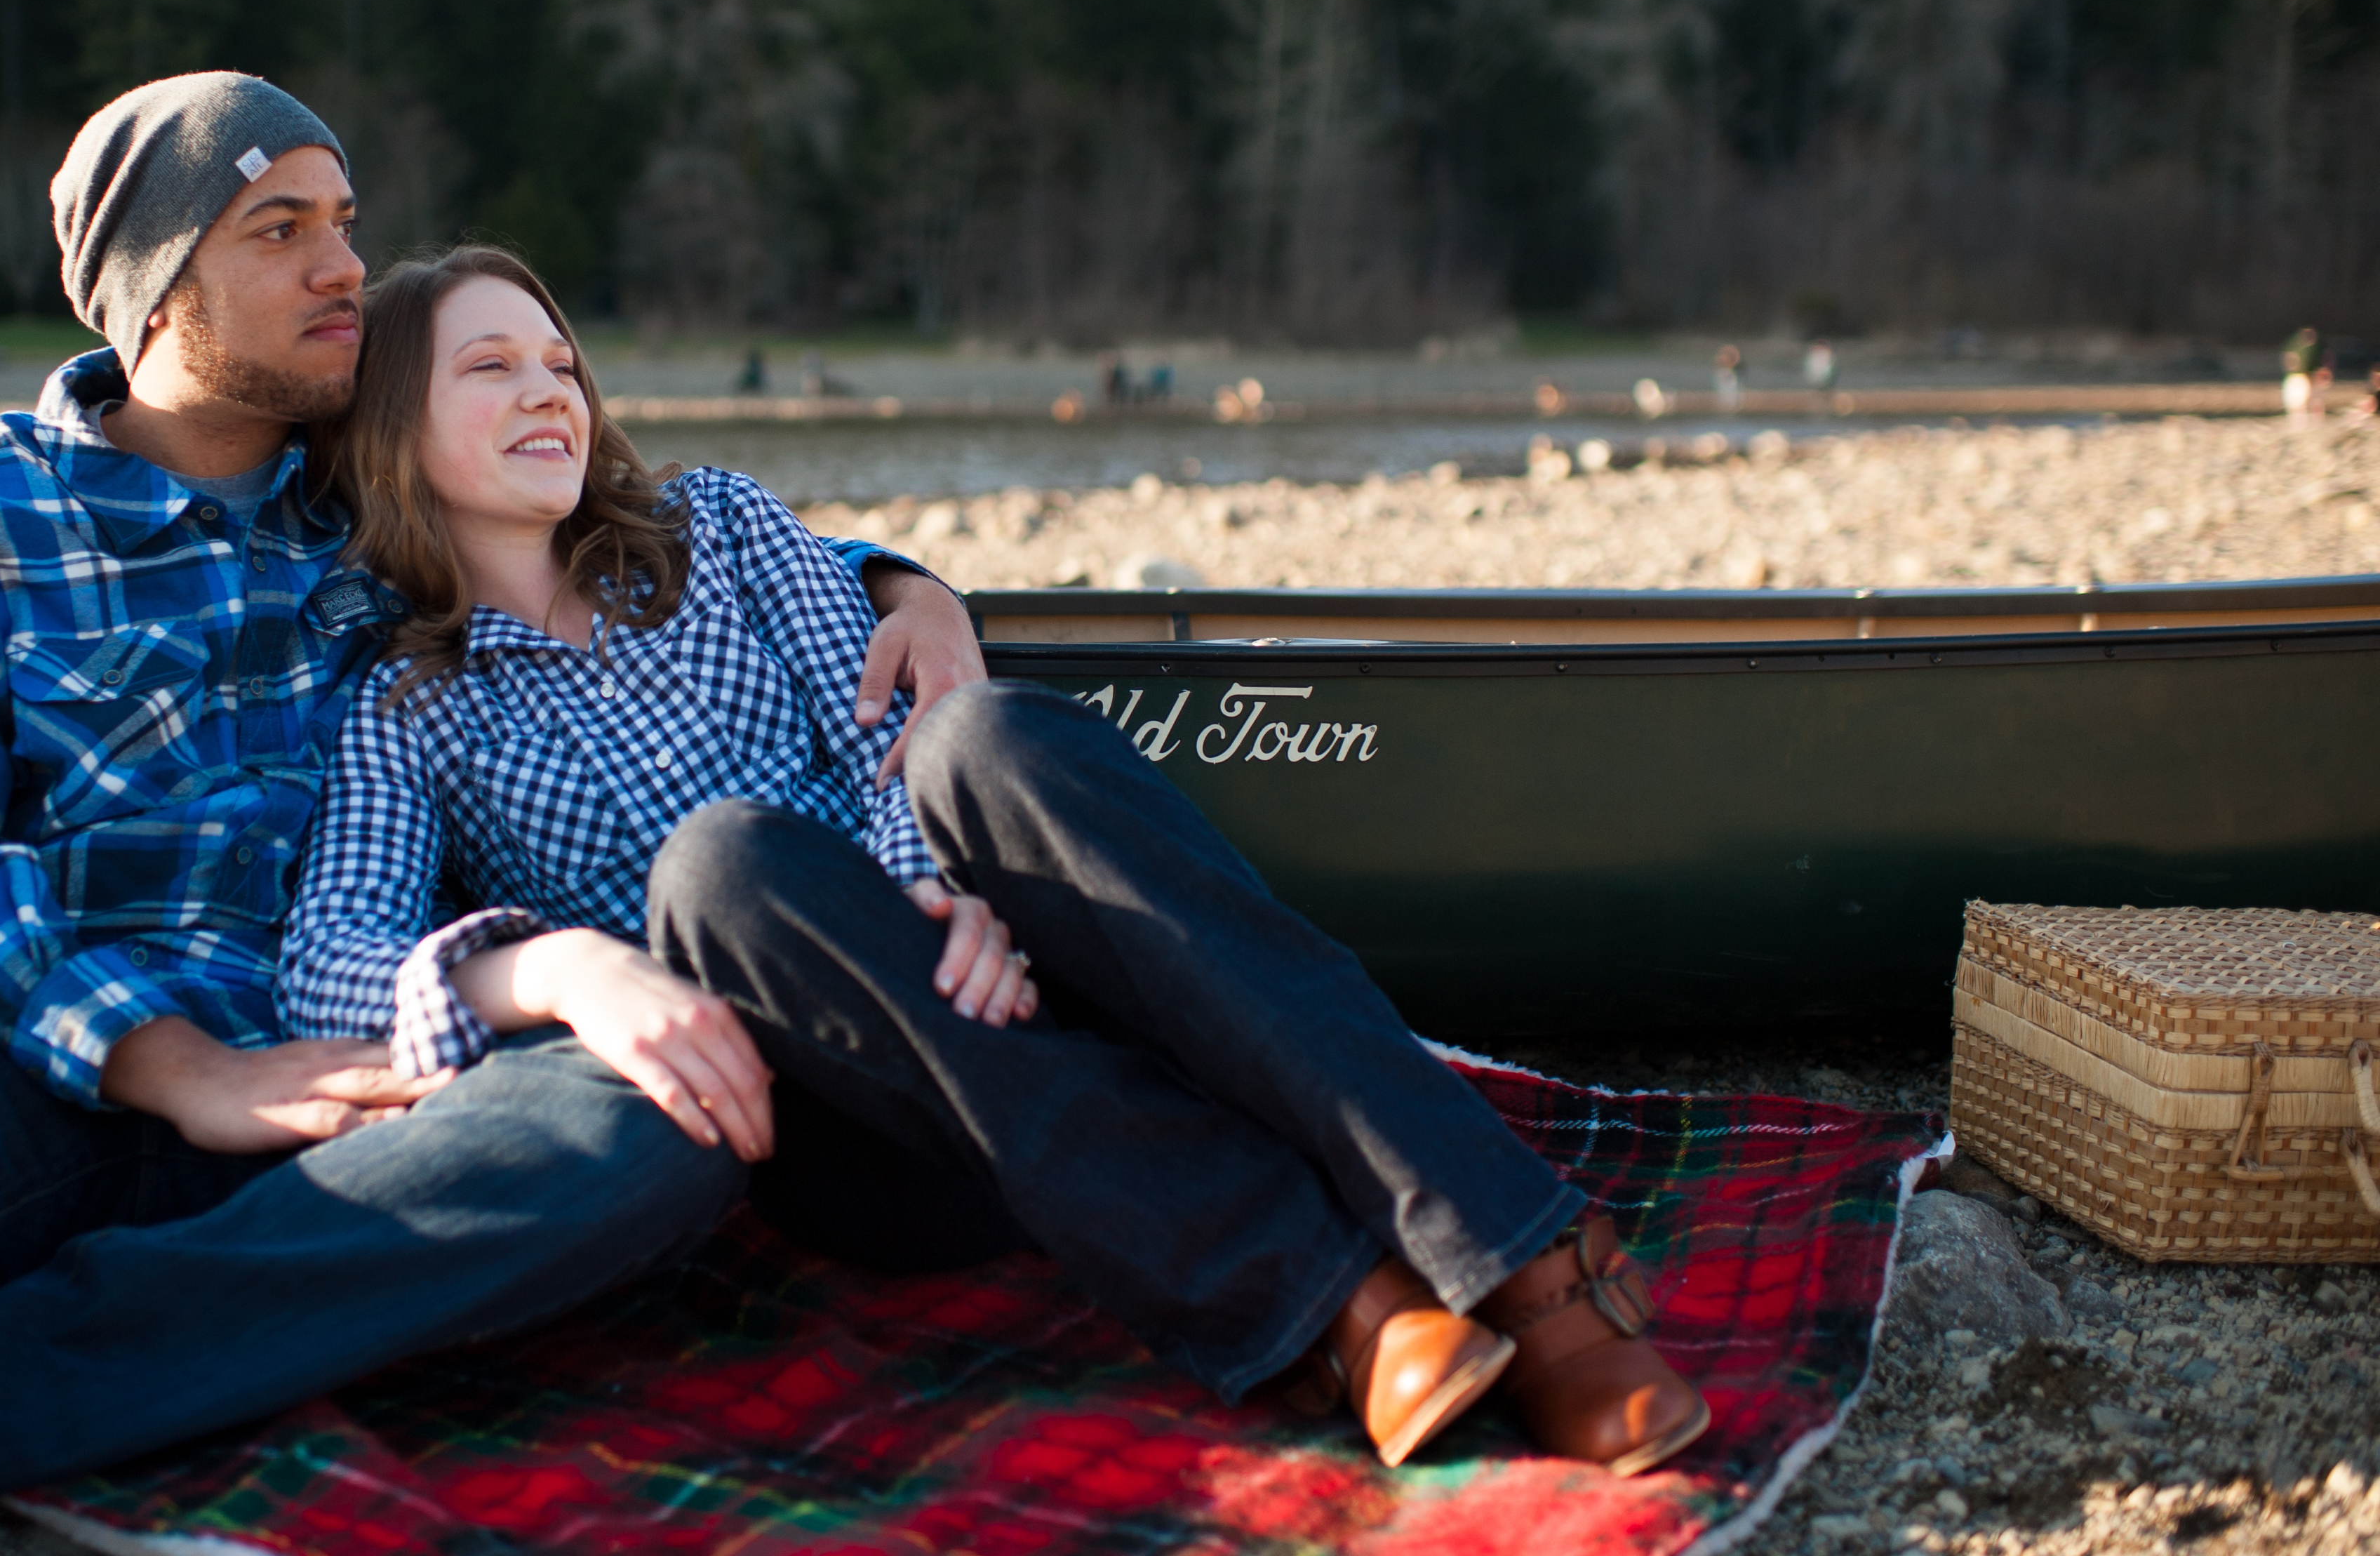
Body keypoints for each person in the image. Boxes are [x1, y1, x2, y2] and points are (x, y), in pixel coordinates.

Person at [0, 76, 981, 1556]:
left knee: (652, 1116)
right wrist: (175, 1067)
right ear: (157, 292)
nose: (345, 265)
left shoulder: (375, 504)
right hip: (10, 1040)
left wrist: (892, 584)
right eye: (279, 231)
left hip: (333, 1050)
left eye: (347, 221)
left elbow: (622, 525)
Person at [283, 243, 1709, 1480]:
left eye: (561, 361)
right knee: (718, 868)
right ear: (398, 430)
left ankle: (1531, 1265)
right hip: (868, 1117)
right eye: (490, 368)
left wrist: (936, 880)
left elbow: (879, 734)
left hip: (1014, 972)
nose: (548, 389)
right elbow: (327, 961)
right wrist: (548, 967)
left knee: (985, 736)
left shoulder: (718, 530)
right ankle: (1335, 1306)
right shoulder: (408, 708)